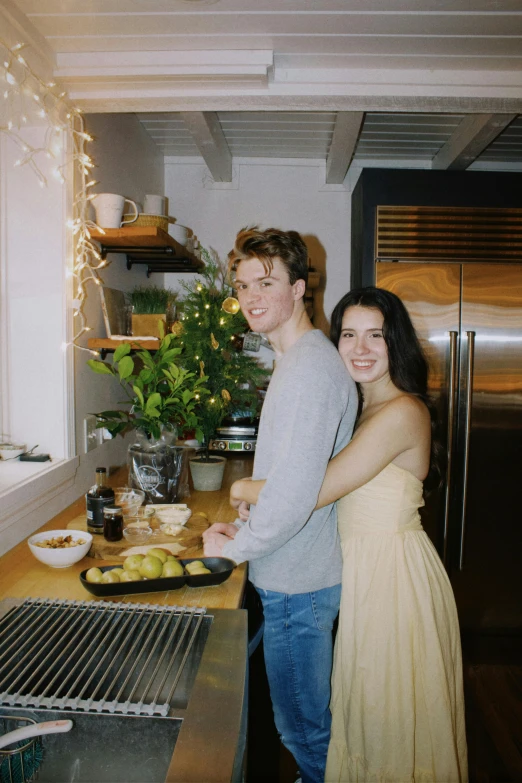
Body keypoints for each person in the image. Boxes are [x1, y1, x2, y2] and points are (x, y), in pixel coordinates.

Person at [229, 286, 468, 783]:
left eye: (376, 336)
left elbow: (316, 489)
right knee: (363, 714)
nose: (360, 348)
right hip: (363, 571)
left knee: (386, 715)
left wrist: (244, 486)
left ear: (395, 343)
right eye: (349, 335)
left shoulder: (403, 412)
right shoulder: (362, 410)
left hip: (392, 578)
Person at [202, 226, 359, 783]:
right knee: (305, 727)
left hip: (299, 586)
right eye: (243, 285)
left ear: (299, 287)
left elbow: (293, 497)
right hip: (297, 576)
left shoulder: (311, 369)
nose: (251, 296)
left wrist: (236, 547)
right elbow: (292, 480)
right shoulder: (297, 363)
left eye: (266, 281)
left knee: (304, 733)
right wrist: (247, 517)